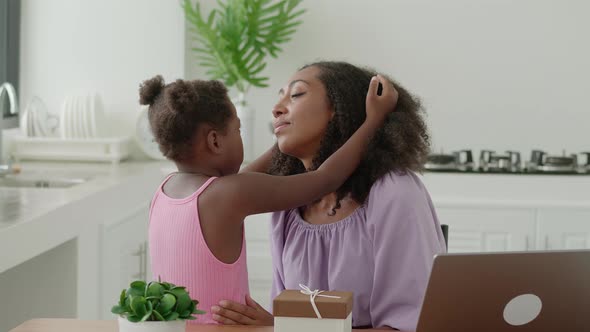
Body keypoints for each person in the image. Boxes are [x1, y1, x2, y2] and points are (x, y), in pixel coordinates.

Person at [140, 73, 397, 324]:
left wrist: (288, 136)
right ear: (215, 141)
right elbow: (326, 179)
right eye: (237, 130)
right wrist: (373, 121)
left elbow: (245, 177)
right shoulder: (231, 193)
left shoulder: (165, 192)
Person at [210, 61, 447, 331]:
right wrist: (277, 325)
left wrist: (282, 328)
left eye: (296, 94)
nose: (276, 108)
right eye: (279, 98)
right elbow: (226, 188)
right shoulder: (288, 205)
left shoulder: (393, 192)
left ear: (338, 109)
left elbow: (408, 326)